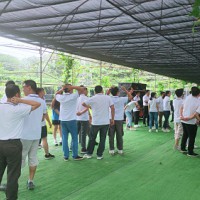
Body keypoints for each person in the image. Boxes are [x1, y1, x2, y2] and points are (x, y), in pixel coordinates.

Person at [0, 84, 40, 200]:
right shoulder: (18, 108)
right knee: (13, 175)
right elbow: (37, 104)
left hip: (0, 143)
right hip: (13, 145)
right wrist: (20, 100)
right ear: (17, 94)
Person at [20, 80, 46, 190]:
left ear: (29, 87)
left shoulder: (22, 100)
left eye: (23, 87)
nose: (23, 89)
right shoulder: (42, 101)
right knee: (33, 158)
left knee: (19, 159)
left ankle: (13, 181)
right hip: (36, 134)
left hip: (23, 134)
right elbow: (42, 117)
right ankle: (30, 180)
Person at [83, 85, 115, 160]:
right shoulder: (107, 97)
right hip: (105, 122)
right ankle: (99, 155)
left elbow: (83, 104)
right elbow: (112, 108)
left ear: (95, 91)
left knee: (92, 138)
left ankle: (89, 154)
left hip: (96, 122)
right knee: (102, 139)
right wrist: (112, 119)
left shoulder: (93, 98)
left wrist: (91, 107)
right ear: (102, 90)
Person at [56, 84, 84, 161]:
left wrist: (63, 89)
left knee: (64, 138)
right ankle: (75, 155)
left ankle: (66, 156)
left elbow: (56, 94)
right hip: (71, 120)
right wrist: (72, 87)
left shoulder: (61, 97)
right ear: (71, 89)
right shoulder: (73, 96)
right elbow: (82, 89)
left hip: (63, 120)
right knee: (74, 138)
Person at [107, 86, 132, 155]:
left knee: (111, 135)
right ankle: (120, 149)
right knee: (119, 134)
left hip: (111, 119)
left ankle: (111, 149)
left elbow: (106, 95)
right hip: (119, 119)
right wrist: (125, 90)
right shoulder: (122, 99)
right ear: (118, 92)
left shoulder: (109, 98)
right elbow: (130, 97)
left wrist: (109, 90)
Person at [180, 87, 200, 157]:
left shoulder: (188, 97)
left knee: (185, 134)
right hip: (191, 122)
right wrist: (198, 120)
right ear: (198, 93)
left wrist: (182, 116)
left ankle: (182, 148)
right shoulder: (198, 101)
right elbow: (196, 114)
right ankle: (190, 152)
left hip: (183, 120)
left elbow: (181, 107)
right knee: (192, 137)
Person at [36, 88, 55, 159]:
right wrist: (49, 122)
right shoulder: (41, 101)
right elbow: (45, 114)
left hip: (34, 125)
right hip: (41, 124)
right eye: (43, 91)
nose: (45, 92)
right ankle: (47, 154)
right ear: (40, 92)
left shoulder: (30, 100)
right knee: (44, 139)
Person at [76, 86, 91, 154]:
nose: (87, 92)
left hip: (77, 118)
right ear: (84, 90)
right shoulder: (86, 98)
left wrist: (77, 113)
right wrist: (81, 113)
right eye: (86, 90)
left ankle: (72, 147)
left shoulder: (77, 98)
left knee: (76, 133)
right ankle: (83, 148)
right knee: (83, 133)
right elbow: (87, 108)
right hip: (84, 118)